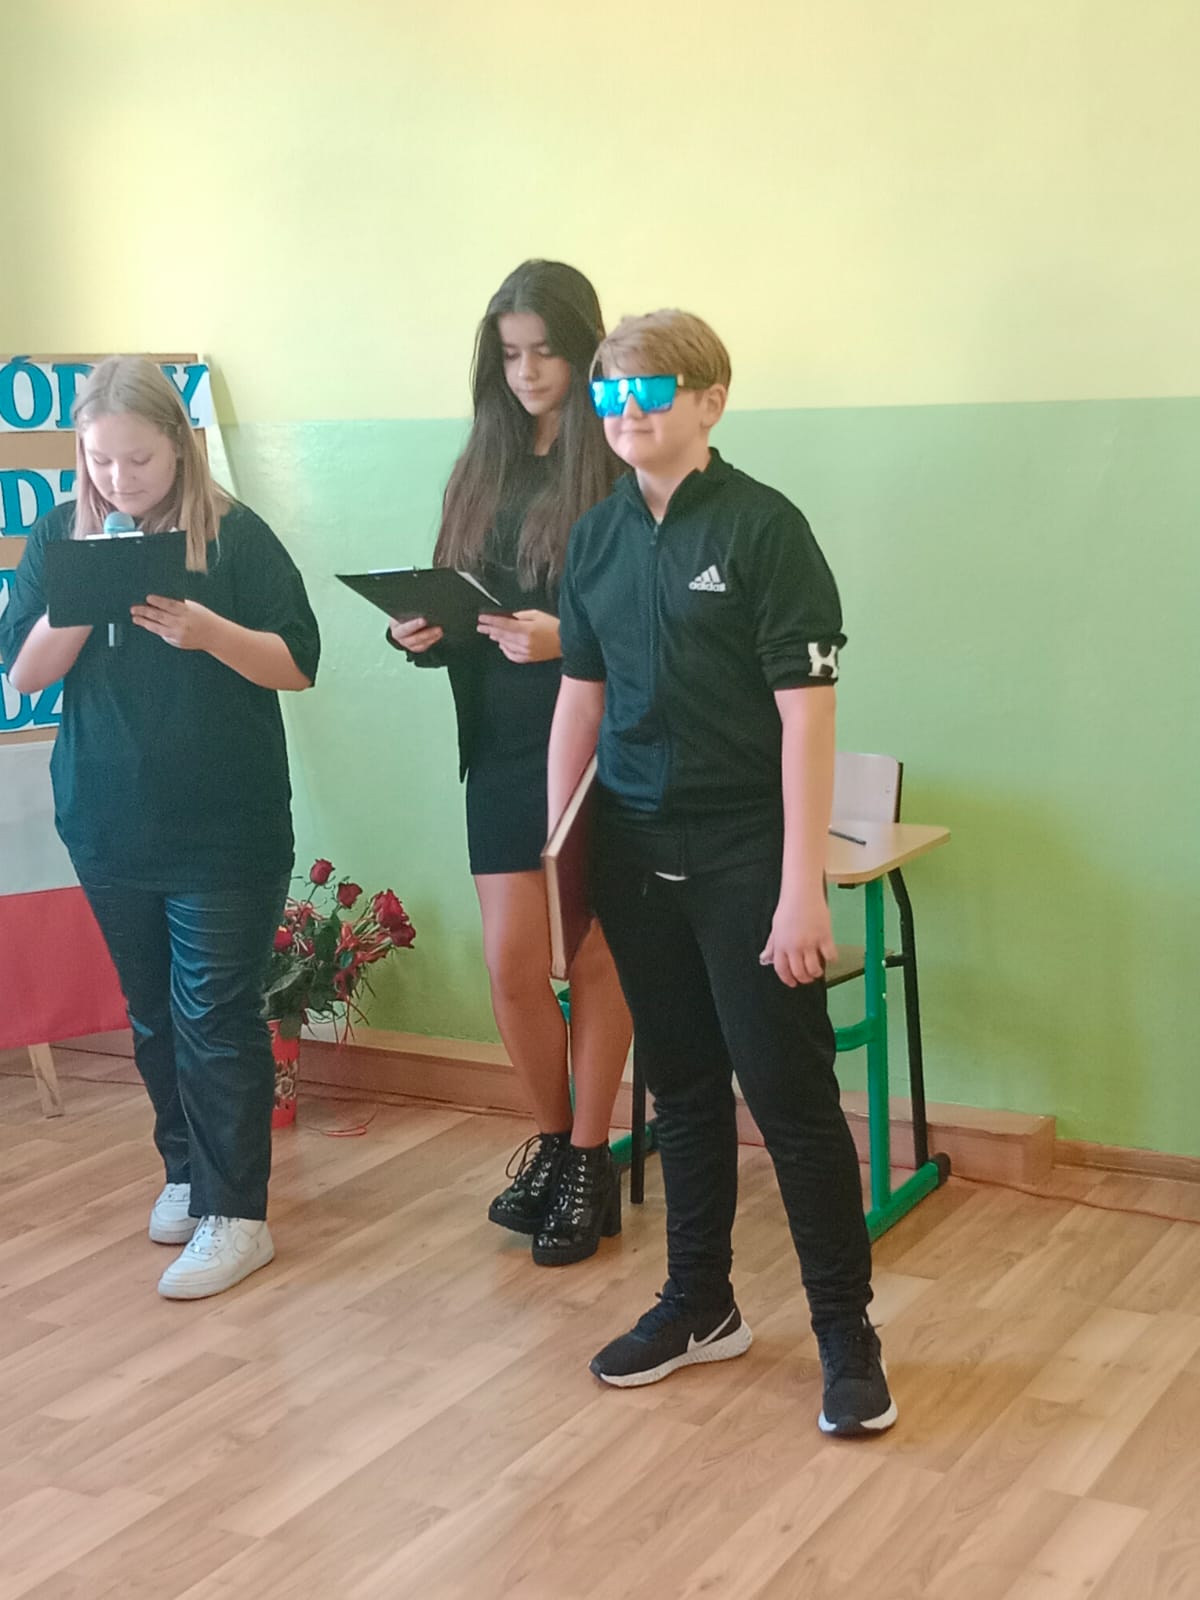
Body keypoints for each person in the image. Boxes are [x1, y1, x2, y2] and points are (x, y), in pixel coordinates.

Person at [546, 310, 896, 1434]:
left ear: (710, 399)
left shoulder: (764, 527)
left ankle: (845, 1333)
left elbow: (808, 720)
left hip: (749, 852)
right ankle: (702, 1305)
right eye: (610, 394)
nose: (627, 412)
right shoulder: (596, 539)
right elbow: (581, 702)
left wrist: (803, 887)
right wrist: (558, 857)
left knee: (790, 1102)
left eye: (650, 390)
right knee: (683, 1092)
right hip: (635, 854)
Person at [0, 356, 319, 1300]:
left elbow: (298, 662)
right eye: (101, 461)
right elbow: (24, 674)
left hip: (225, 825)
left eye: (138, 460)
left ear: (179, 445)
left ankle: (237, 1215)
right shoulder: (60, 535)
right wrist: (80, 601)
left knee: (216, 1014)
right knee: (152, 1014)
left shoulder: (235, 534)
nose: (119, 479)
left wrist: (207, 631)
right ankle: (186, 1172)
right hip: (107, 819)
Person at [388, 260, 632, 1266]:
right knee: (513, 966)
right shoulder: (481, 462)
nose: (527, 372)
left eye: (545, 352)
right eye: (510, 354)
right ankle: (557, 1141)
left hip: (597, 738)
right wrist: (422, 632)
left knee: (595, 957)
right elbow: (471, 605)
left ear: (585, 350)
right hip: (496, 739)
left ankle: (590, 1156)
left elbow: (650, 619)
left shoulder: (619, 458)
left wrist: (565, 639)